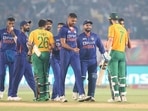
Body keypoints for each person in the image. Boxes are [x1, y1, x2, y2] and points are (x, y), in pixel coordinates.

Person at [72, 20, 111, 102]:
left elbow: (100, 47)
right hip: (83, 61)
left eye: (90, 25)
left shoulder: (95, 36)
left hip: (93, 61)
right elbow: (75, 49)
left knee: (93, 78)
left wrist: (104, 54)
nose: (88, 26)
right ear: (83, 26)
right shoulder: (79, 37)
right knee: (81, 77)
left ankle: (91, 96)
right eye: (87, 25)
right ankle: (77, 92)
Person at [59, 13, 85, 102]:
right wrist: (72, 49)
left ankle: (81, 94)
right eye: (72, 20)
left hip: (74, 54)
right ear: (68, 18)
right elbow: (63, 43)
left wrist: (76, 48)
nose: (74, 22)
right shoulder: (63, 29)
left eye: (75, 21)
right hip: (65, 53)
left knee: (78, 73)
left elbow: (75, 40)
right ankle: (61, 95)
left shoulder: (76, 29)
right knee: (63, 74)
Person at [7, 20, 36, 101]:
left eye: (29, 25)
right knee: (17, 76)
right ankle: (12, 95)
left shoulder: (26, 35)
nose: (28, 26)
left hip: (25, 58)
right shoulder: (20, 35)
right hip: (20, 57)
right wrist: (31, 47)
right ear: (22, 26)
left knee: (30, 77)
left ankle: (37, 94)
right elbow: (24, 47)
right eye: (26, 25)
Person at [28, 19, 54, 101]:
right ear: (45, 25)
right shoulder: (49, 33)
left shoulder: (33, 32)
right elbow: (52, 46)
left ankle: (40, 96)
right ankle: (46, 95)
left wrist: (29, 52)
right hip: (46, 53)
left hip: (37, 54)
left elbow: (29, 43)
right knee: (45, 74)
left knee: (38, 76)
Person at [107, 17, 132, 102]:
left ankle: (116, 96)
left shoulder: (112, 27)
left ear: (111, 20)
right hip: (122, 53)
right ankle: (124, 96)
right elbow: (127, 45)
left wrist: (107, 51)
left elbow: (110, 40)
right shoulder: (124, 30)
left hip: (114, 52)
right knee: (122, 76)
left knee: (114, 76)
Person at [0, 17, 20, 99]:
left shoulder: (17, 32)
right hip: (3, 54)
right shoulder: (1, 32)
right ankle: (1, 90)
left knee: (13, 75)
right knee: (1, 73)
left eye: (12, 23)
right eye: (10, 23)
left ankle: (11, 94)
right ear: (7, 23)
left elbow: (19, 43)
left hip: (13, 55)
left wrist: (13, 34)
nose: (11, 25)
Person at [51, 22, 64, 101]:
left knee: (58, 78)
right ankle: (60, 95)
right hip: (55, 59)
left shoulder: (66, 39)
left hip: (63, 60)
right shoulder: (54, 38)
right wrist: (56, 49)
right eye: (58, 27)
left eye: (61, 27)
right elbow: (52, 48)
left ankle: (53, 96)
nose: (59, 29)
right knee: (59, 76)